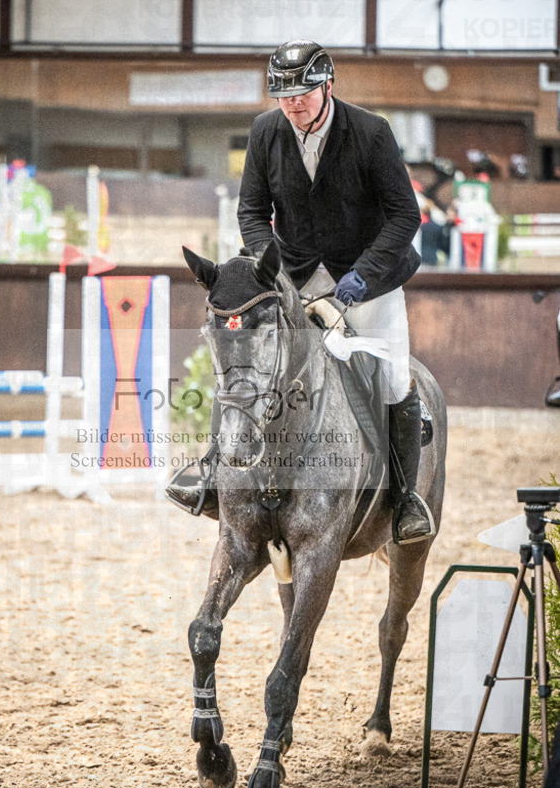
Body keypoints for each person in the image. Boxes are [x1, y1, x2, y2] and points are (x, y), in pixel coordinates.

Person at [167, 40, 433, 544]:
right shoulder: (267, 130)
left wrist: (357, 281)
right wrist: (276, 274)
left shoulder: (372, 132)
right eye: (284, 96)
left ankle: (404, 501)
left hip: (369, 277)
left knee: (395, 376)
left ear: (328, 85)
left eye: (304, 94)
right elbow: (251, 211)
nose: (293, 105)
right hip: (296, 276)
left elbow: (405, 216)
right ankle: (209, 474)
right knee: (249, 357)